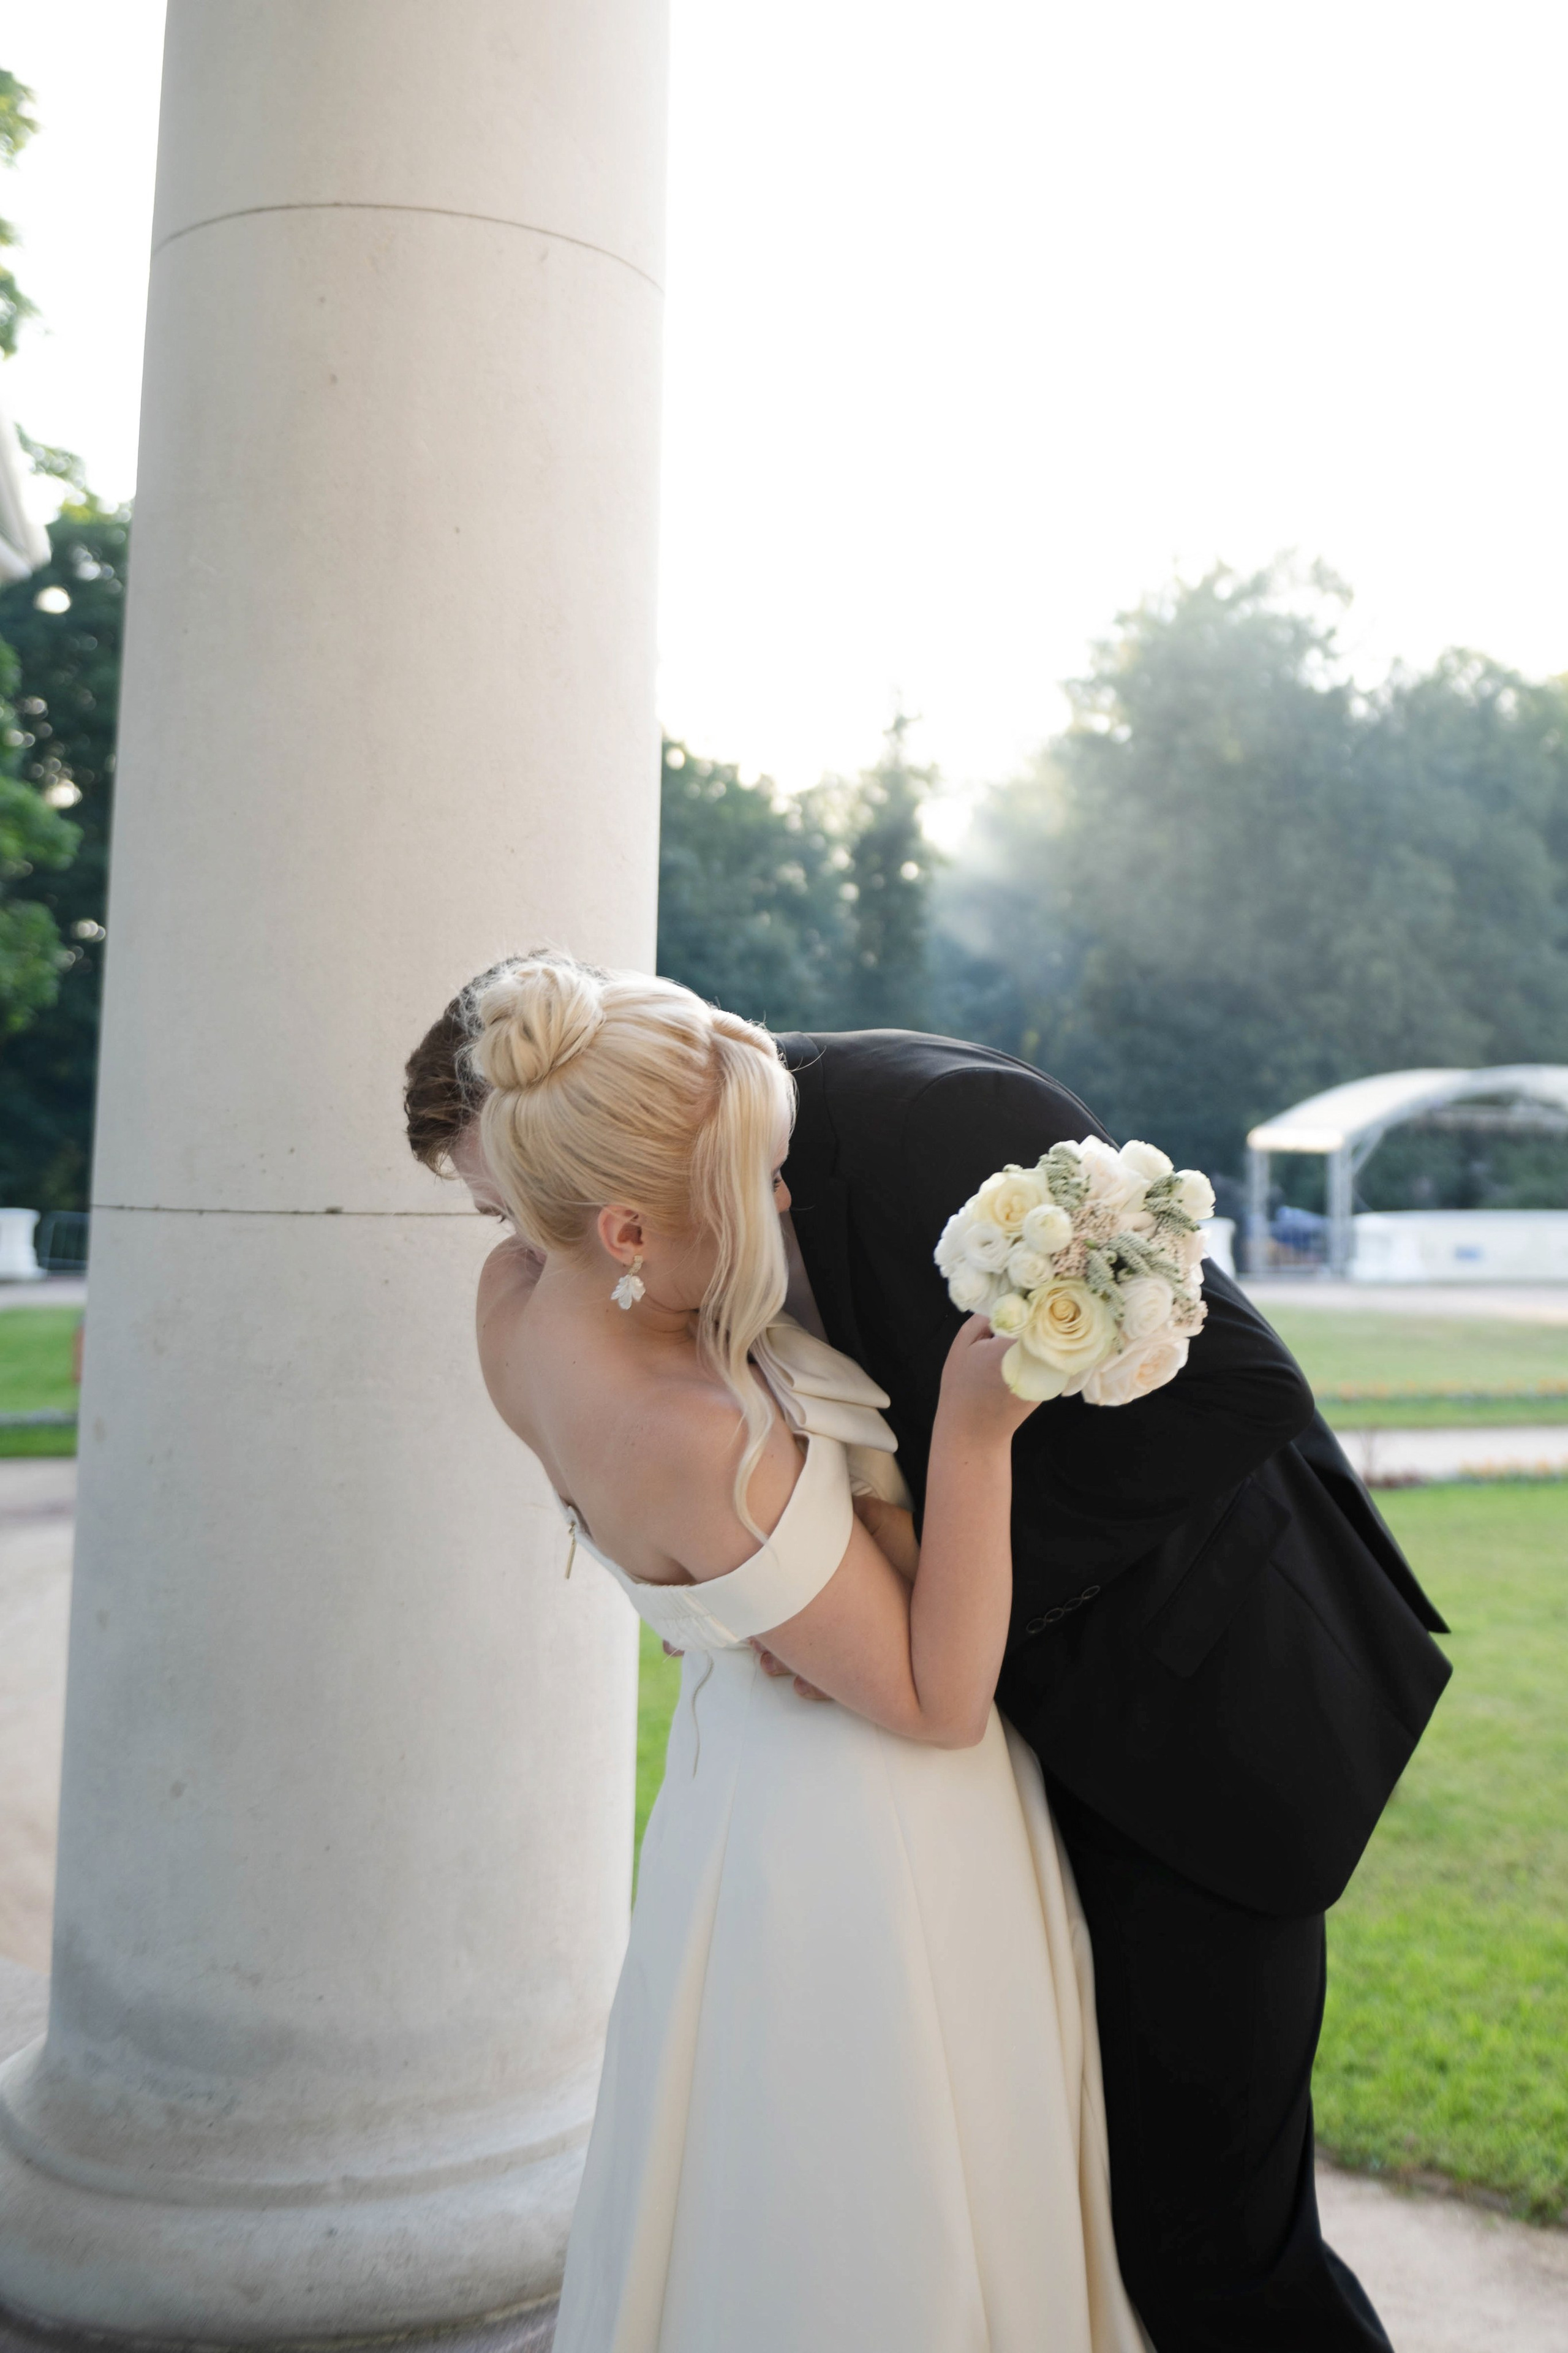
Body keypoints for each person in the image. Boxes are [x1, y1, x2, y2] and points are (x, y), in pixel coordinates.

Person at [405, 957, 1453, 2353]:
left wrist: (890, 1585)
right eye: (504, 1207)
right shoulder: (604, 1294)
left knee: (1206, 2246)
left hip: (1194, 1727)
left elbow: (1243, 1388)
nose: (522, 1238)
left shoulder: (938, 1131)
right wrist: (831, 1593)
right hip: (926, 1784)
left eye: (522, 1198)